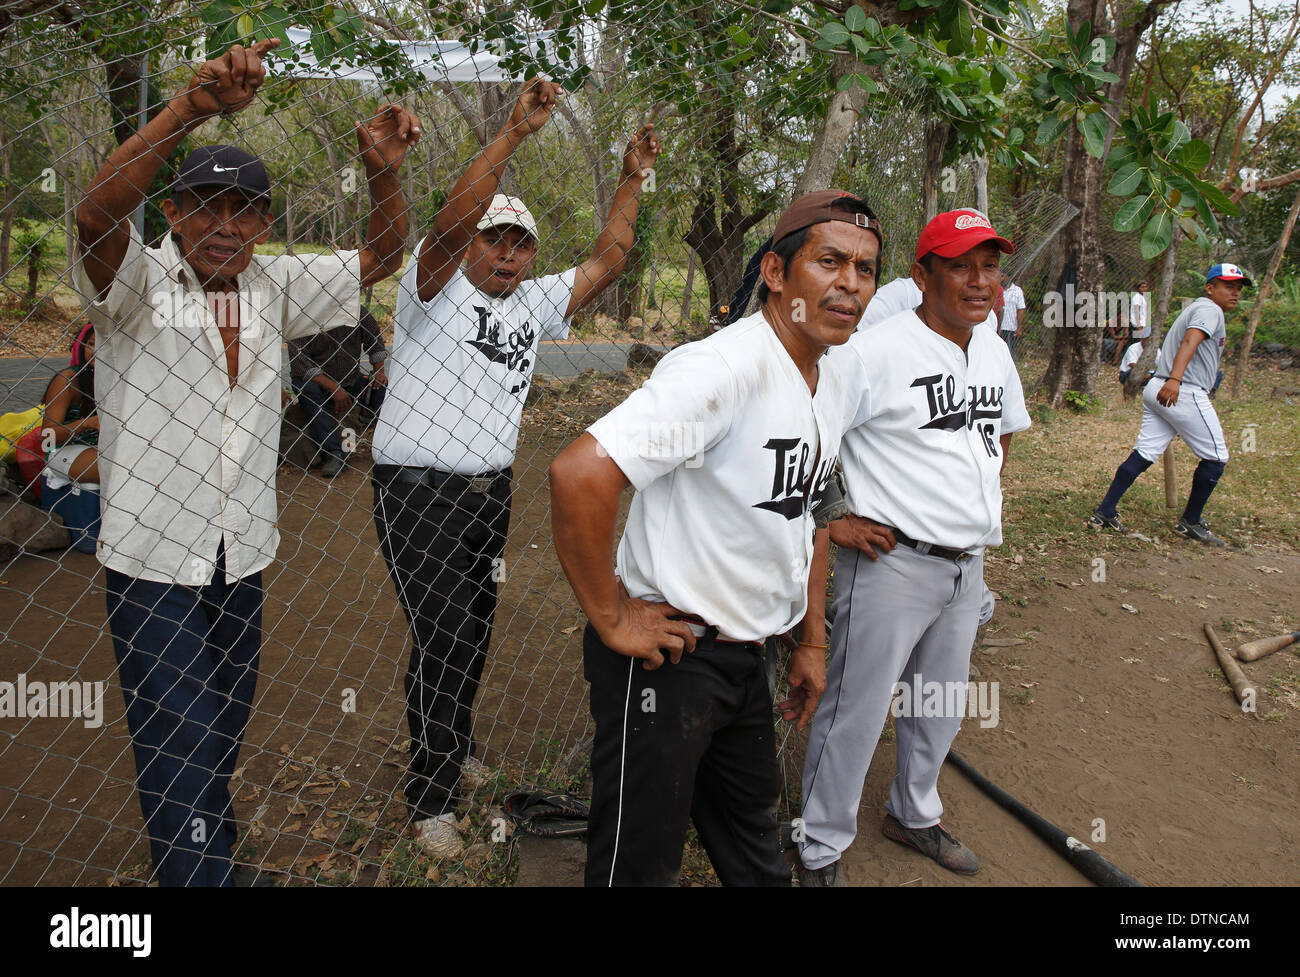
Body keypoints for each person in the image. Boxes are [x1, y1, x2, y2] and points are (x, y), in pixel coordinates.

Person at [70, 38, 419, 886]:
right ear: (174, 213)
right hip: (154, 557)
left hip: (242, 550)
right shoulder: (137, 285)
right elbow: (91, 216)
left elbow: (381, 256)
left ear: (264, 225)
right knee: (179, 729)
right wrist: (189, 107)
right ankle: (202, 874)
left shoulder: (272, 290)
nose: (224, 227)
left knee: (220, 725)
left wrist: (382, 171)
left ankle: (202, 854)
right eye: (204, 207)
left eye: (244, 212)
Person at [549, 189, 882, 886]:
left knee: (755, 853)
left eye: (865, 267)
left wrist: (812, 638)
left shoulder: (838, 372)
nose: (850, 281)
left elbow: (810, 508)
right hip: (670, 656)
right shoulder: (723, 370)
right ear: (775, 272)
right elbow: (581, 473)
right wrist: (610, 612)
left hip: (745, 659)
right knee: (636, 865)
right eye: (829, 260)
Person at [370, 78, 661, 859]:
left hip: (487, 495)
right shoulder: (429, 289)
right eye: (493, 238)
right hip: (415, 491)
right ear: (470, 244)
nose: (505, 252)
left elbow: (609, 256)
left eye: (519, 242)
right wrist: (513, 136)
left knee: (472, 634)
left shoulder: (533, 304)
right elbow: (448, 222)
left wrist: (632, 178)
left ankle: (453, 746)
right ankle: (429, 798)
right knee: (445, 634)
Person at [797, 208, 1030, 886]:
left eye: (989, 265)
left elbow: (1002, 434)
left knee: (939, 701)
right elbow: (812, 434)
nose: (980, 280)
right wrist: (835, 520)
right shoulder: (875, 349)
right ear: (922, 275)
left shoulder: (992, 346)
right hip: (891, 559)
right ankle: (817, 845)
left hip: (964, 563)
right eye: (961, 264)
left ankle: (913, 812)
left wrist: (970, 501)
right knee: (856, 708)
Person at [1088, 264, 1249, 546]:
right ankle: (1191, 521)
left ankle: (1105, 511)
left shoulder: (1198, 308)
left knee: (1144, 452)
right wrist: (1175, 380)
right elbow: (1191, 340)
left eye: (1238, 288)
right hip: (1180, 391)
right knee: (1216, 458)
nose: (1235, 292)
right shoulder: (1210, 310)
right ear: (1210, 288)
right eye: (1228, 286)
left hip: (1157, 388)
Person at [288, 306, 388, 477]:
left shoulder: (357, 312)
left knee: (382, 391)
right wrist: (334, 388)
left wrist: (379, 373)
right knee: (304, 388)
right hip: (318, 383)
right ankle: (334, 452)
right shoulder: (304, 317)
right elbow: (301, 365)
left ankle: (387, 446)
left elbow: (376, 345)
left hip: (350, 379)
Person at [41, 322, 100, 490]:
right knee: (116, 466)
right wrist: (88, 423)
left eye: (104, 343)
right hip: (64, 451)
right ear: (80, 347)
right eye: (91, 344)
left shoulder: (117, 378)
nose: (97, 350)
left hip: (104, 448)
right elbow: (47, 438)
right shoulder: (68, 380)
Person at [998, 271, 1025, 360]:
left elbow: (1020, 310)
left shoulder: (1017, 291)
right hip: (996, 327)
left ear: (1009, 277)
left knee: (1009, 353)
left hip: (1010, 327)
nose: (1000, 278)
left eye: (1003, 276)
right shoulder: (997, 289)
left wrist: (1019, 327)